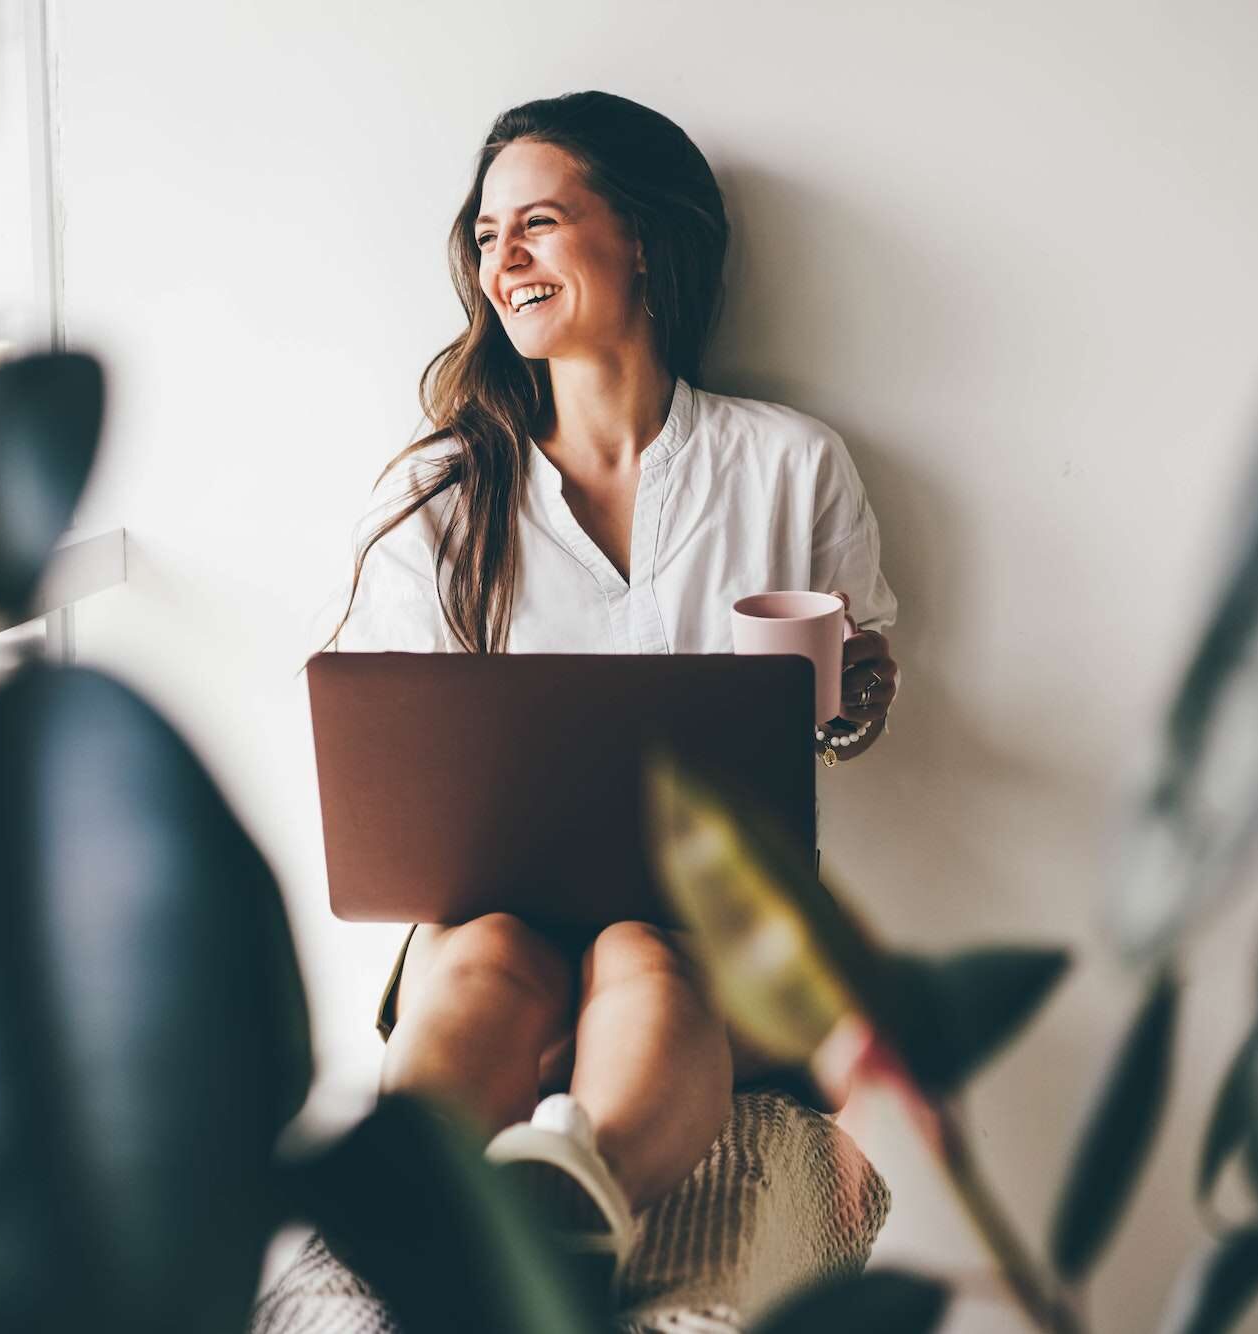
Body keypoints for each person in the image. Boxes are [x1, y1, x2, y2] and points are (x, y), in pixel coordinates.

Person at [320, 90, 900, 1281]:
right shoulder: (436, 493)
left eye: (538, 221)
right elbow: (395, 750)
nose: (504, 259)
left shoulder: (789, 465)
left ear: (639, 238)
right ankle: (410, 1198)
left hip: (710, 924)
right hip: (487, 921)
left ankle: (578, 1196)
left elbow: (847, 705)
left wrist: (848, 701)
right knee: (485, 953)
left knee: (648, 948)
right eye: (486, 235)